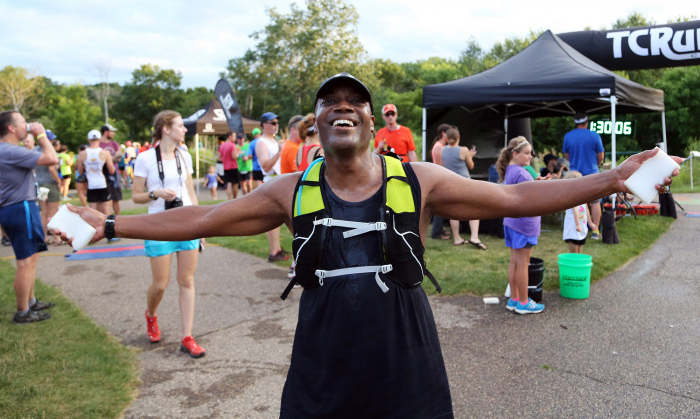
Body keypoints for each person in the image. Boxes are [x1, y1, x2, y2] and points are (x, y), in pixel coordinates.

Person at [57, 73, 681, 418]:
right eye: (331, 104)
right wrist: (108, 226)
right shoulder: (287, 190)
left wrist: (612, 179)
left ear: (370, 121)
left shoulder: (420, 181)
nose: (344, 109)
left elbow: (517, 201)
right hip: (321, 371)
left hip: (406, 366)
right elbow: (200, 219)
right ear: (317, 124)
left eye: (354, 102)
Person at [132, 110, 206, 358]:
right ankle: (151, 315)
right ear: (166, 128)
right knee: (160, 284)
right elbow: (136, 196)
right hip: (159, 225)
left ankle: (187, 336)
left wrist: (200, 223)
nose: (185, 130)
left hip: (186, 223)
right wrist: (156, 194)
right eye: (180, 126)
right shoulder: (144, 158)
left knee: (186, 280)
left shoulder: (184, 155)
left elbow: (190, 192)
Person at [0, 111, 58, 323]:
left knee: (31, 257)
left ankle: (31, 301)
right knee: (25, 262)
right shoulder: (9, 150)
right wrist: (42, 135)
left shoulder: (8, 150)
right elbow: (51, 158)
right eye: (23, 122)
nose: (28, 125)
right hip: (20, 206)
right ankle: (23, 312)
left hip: (15, 207)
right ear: (11, 129)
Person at [496, 136, 544, 314]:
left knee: (515, 262)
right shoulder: (523, 173)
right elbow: (533, 198)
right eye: (526, 153)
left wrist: (537, 184)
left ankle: (514, 299)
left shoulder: (511, 170)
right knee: (523, 264)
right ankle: (524, 302)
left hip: (512, 222)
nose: (530, 156)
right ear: (515, 154)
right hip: (524, 225)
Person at [441, 127, 486, 250]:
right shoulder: (464, 150)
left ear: (446, 138)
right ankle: (474, 237)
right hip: (464, 183)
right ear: (459, 137)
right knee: (474, 209)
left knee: (453, 212)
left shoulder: (443, 150)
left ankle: (457, 238)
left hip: (450, 183)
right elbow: (470, 166)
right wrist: (470, 155)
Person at [563, 112, 605, 239]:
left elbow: (566, 156)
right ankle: (595, 231)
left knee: (576, 202)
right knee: (595, 202)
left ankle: (578, 226)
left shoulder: (568, 136)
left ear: (575, 122)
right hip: (592, 172)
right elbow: (601, 156)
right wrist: (596, 165)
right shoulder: (594, 135)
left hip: (574, 174)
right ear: (587, 122)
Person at [255, 112, 289, 262]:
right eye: (272, 123)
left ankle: (277, 249)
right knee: (274, 218)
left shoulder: (274, 141)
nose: (276, 125)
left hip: (278, 181)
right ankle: (274, 251)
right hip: (271, 181)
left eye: (277, 122)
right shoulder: (261, 142)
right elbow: (266, 165)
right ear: (264, 125)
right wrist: (280, 152)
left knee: (281, 217)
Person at [28, 134, 62, 245]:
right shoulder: (49, 150)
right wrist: (58, 181)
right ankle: (57, 239)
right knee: (53, 213)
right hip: (50, 183)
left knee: (44, 213)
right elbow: (51, 168)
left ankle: (44, 238)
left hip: (40, 183)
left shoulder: (34, 150)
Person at [77, 130, 115, 215]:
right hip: (102, 184)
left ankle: (94, 228)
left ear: (89, 139)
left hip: (91, 185)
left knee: (93, 212)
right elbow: (112, 171)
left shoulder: (82, 154)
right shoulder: (105, 153)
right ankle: (107, 228)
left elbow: (80, 172)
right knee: (106, 212)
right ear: (100, 139)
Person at [562, 171, 597, 253]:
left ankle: (579, 265)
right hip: (574, 228)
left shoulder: (582, 196)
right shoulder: (572, 196)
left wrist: (590, 223)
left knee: (580, 252)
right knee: (574, 253)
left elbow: (586, 210)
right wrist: (578, 225)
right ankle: (573, 265)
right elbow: (575, 209)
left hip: (582, 227)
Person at [430, 123, 452, 240]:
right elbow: (440, 165)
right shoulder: (439, 147)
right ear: (444, 133)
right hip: (439, 179)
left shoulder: (440, 146)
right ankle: (436, 233)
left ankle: (440, 230)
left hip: (440, 178)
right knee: (440, 206)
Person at [99, 124, 123, 215]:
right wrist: (112, 159)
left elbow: (119, 156)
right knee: (103, 199)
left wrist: (108, 160)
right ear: (106, 132)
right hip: (102, 174)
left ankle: (118, 218)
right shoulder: (98, 144)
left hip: (114, 173)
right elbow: (100, 159)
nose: (113, 133)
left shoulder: (114, 144)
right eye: (111, 131)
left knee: (116, 198)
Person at [218, 132, 240, 200]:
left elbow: (219, 157)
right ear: (229, 137)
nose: (235, 138)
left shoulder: (222, 145)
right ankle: (235, 199)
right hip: (233, 166)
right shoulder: (232, 145)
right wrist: (238, 153)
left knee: (229, 183)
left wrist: (225, 159)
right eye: (234, 136)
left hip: (226, 167)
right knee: (235, 183)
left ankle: (229, 198)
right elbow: (234, 156)